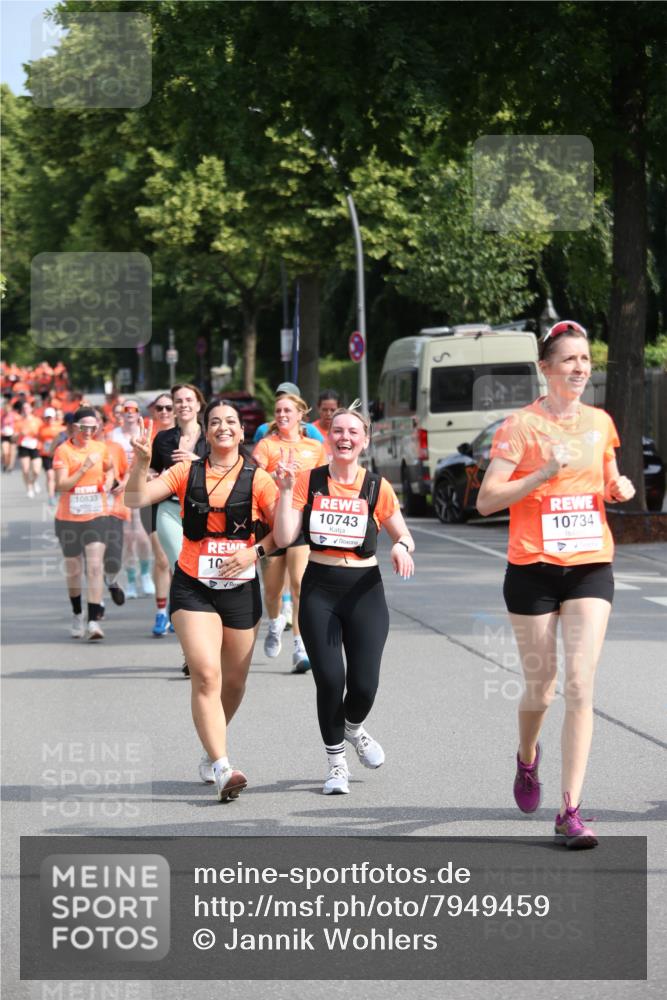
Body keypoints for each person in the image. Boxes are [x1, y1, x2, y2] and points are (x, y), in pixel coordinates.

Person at [476, 320, 636, 849]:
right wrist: (542, 473)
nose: (580, 368)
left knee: (581, 686)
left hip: (591, 563)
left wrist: (616, 486)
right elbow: (487, 500)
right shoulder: (519, 426)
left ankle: (570, 810)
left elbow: (607, 476)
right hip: (532, 568)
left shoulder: (601, 423)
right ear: (545, 369)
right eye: (568, 360)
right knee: (541, 689)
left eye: (586, 360)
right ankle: (527, 759)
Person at [125, 400, 279, 802]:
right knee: (206, 674)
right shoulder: (185, 471)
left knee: (234, 681)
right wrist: (140, 462)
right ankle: (224, 764)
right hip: (193, 584)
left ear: (243, 433)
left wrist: (254, 553)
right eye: (215, 422)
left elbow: (284, 532)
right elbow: (135, 499)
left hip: (242, 587)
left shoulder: (259, 480)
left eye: (231, 422)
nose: (223, 427)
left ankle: (211, 746)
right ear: (205, 432)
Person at [273, 401, 415, 794]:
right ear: (328, 437)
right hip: (320, 588)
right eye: (338, 431)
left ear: (365, 440)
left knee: (365, 685)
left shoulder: (376, 486)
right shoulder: (309, 480)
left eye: (353, 432)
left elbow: (402, 533)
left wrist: (401, 546)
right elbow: (285, 538)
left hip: (365, 591)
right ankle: (336, 764)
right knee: (331, 680)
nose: (345, 438)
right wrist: (285, 491)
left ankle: (353, 728)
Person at [253, 393, 327, 672]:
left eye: (288, 410)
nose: (282, 415)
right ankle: (274, 623)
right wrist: (276, 476)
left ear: (300, 414)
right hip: (271, 523)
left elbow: (324, 481)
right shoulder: (266, 445)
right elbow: (254, 478)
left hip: (301, 523)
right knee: (272, 591)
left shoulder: (313, 447)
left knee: (299, 584)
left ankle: (300, 644)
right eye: (278, 410)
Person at [53, 407, 114, 640]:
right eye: (84, 427)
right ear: (75, 427)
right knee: (74, 570)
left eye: (93, 427)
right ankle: (77, 613)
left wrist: (108, 481)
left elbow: (110, 470)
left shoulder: (101, 448)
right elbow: (61, 485)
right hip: (68, 518)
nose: (89, 431)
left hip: (97, 514)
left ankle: (93, 621)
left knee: (95, 565)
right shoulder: (63, 451)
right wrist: (85, 468)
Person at [111, 399, 155, 598]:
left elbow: (152, 460)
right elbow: (110, 462)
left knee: (143, 537)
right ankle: (130, 579)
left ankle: (145, 574)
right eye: (125, 409)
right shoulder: (114, 435)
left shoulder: (145, 432)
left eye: (133, 409)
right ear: (120, 413)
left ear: (139, 413)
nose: (129, 412)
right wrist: (115, 480)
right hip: (121, 490)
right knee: (128, 537)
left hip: (142, 487)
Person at [143, 393, 176, 636]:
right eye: (159, 408)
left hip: (184, 506)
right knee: (163, 559)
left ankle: (178, 609)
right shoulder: (151, 435)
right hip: (156, 501)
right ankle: (161, 611)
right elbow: (147, 467)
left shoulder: (189, 436)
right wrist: (148, 474)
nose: (164, 412)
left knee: (180, 561)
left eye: (168, 407)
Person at [252, 382, 325, 443]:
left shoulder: (310, 430)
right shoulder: (263, 430)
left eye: (289, 397)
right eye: (279, 397)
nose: (283, 399)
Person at [16, 400, 43, 498]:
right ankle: (29, 488)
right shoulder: (19, 421)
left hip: (35, 446)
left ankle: (33, 482)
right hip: (23, 446)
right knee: (25, 470)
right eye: (23, 408)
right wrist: (20, 434)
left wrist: (38, 436)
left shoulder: (37, 421)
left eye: (27, 407)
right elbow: (13, 438)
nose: (25, 409)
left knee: (36, 470)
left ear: (31, 409)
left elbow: (42, 433)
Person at [37, 406, 64, 504]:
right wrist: (39, 447)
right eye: (47, 417)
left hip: (59, 455)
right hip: (46, 454)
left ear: (54, 417)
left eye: (51, 417)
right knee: (50, 475)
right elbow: (39, 439)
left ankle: (56, 490)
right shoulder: (41, 428)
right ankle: (51, 497)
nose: (49, 419)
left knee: (58, 477)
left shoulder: (61, 427)